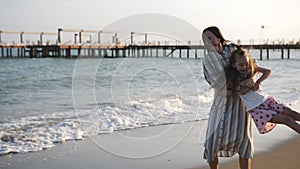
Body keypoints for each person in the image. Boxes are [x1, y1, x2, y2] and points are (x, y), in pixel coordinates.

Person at [202, 26, 253, 169]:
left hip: (240, 105)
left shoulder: (232, 49)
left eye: (211, 37)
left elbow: (249, 65)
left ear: (219, 37)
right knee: (211, 142)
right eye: (205, 39)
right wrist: (236, 88)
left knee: (243, 141)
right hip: (221, 103)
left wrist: (250, 83)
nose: (209, 41)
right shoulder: (208, 59)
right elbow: (217, 85)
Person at [225, 46, 300, 134]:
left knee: (293, 114)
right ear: (234, 65)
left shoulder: (250, 71)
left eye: (246, 64)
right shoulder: (233, 78)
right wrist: (239, 92)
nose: (244, 67)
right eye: (241, 65)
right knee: (287, 120)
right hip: (256, 109)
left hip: (267, 100)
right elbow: (223, 92)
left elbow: (267, 71)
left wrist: (257, 82)